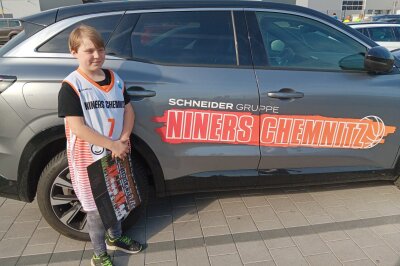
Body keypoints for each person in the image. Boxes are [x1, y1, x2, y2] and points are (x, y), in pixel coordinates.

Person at [58, 25, 143, 266]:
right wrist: (112, 144)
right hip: (88, 161)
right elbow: (78, 127)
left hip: (116, 152)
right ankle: (99, 254)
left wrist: (124, 139)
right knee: (95, 211)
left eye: (101, 49)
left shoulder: (115, 79)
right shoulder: (71, 86)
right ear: (74, 52)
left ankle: (114, 238)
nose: (96, 55)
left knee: (116, 200)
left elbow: (128, 110)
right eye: (89, 50)